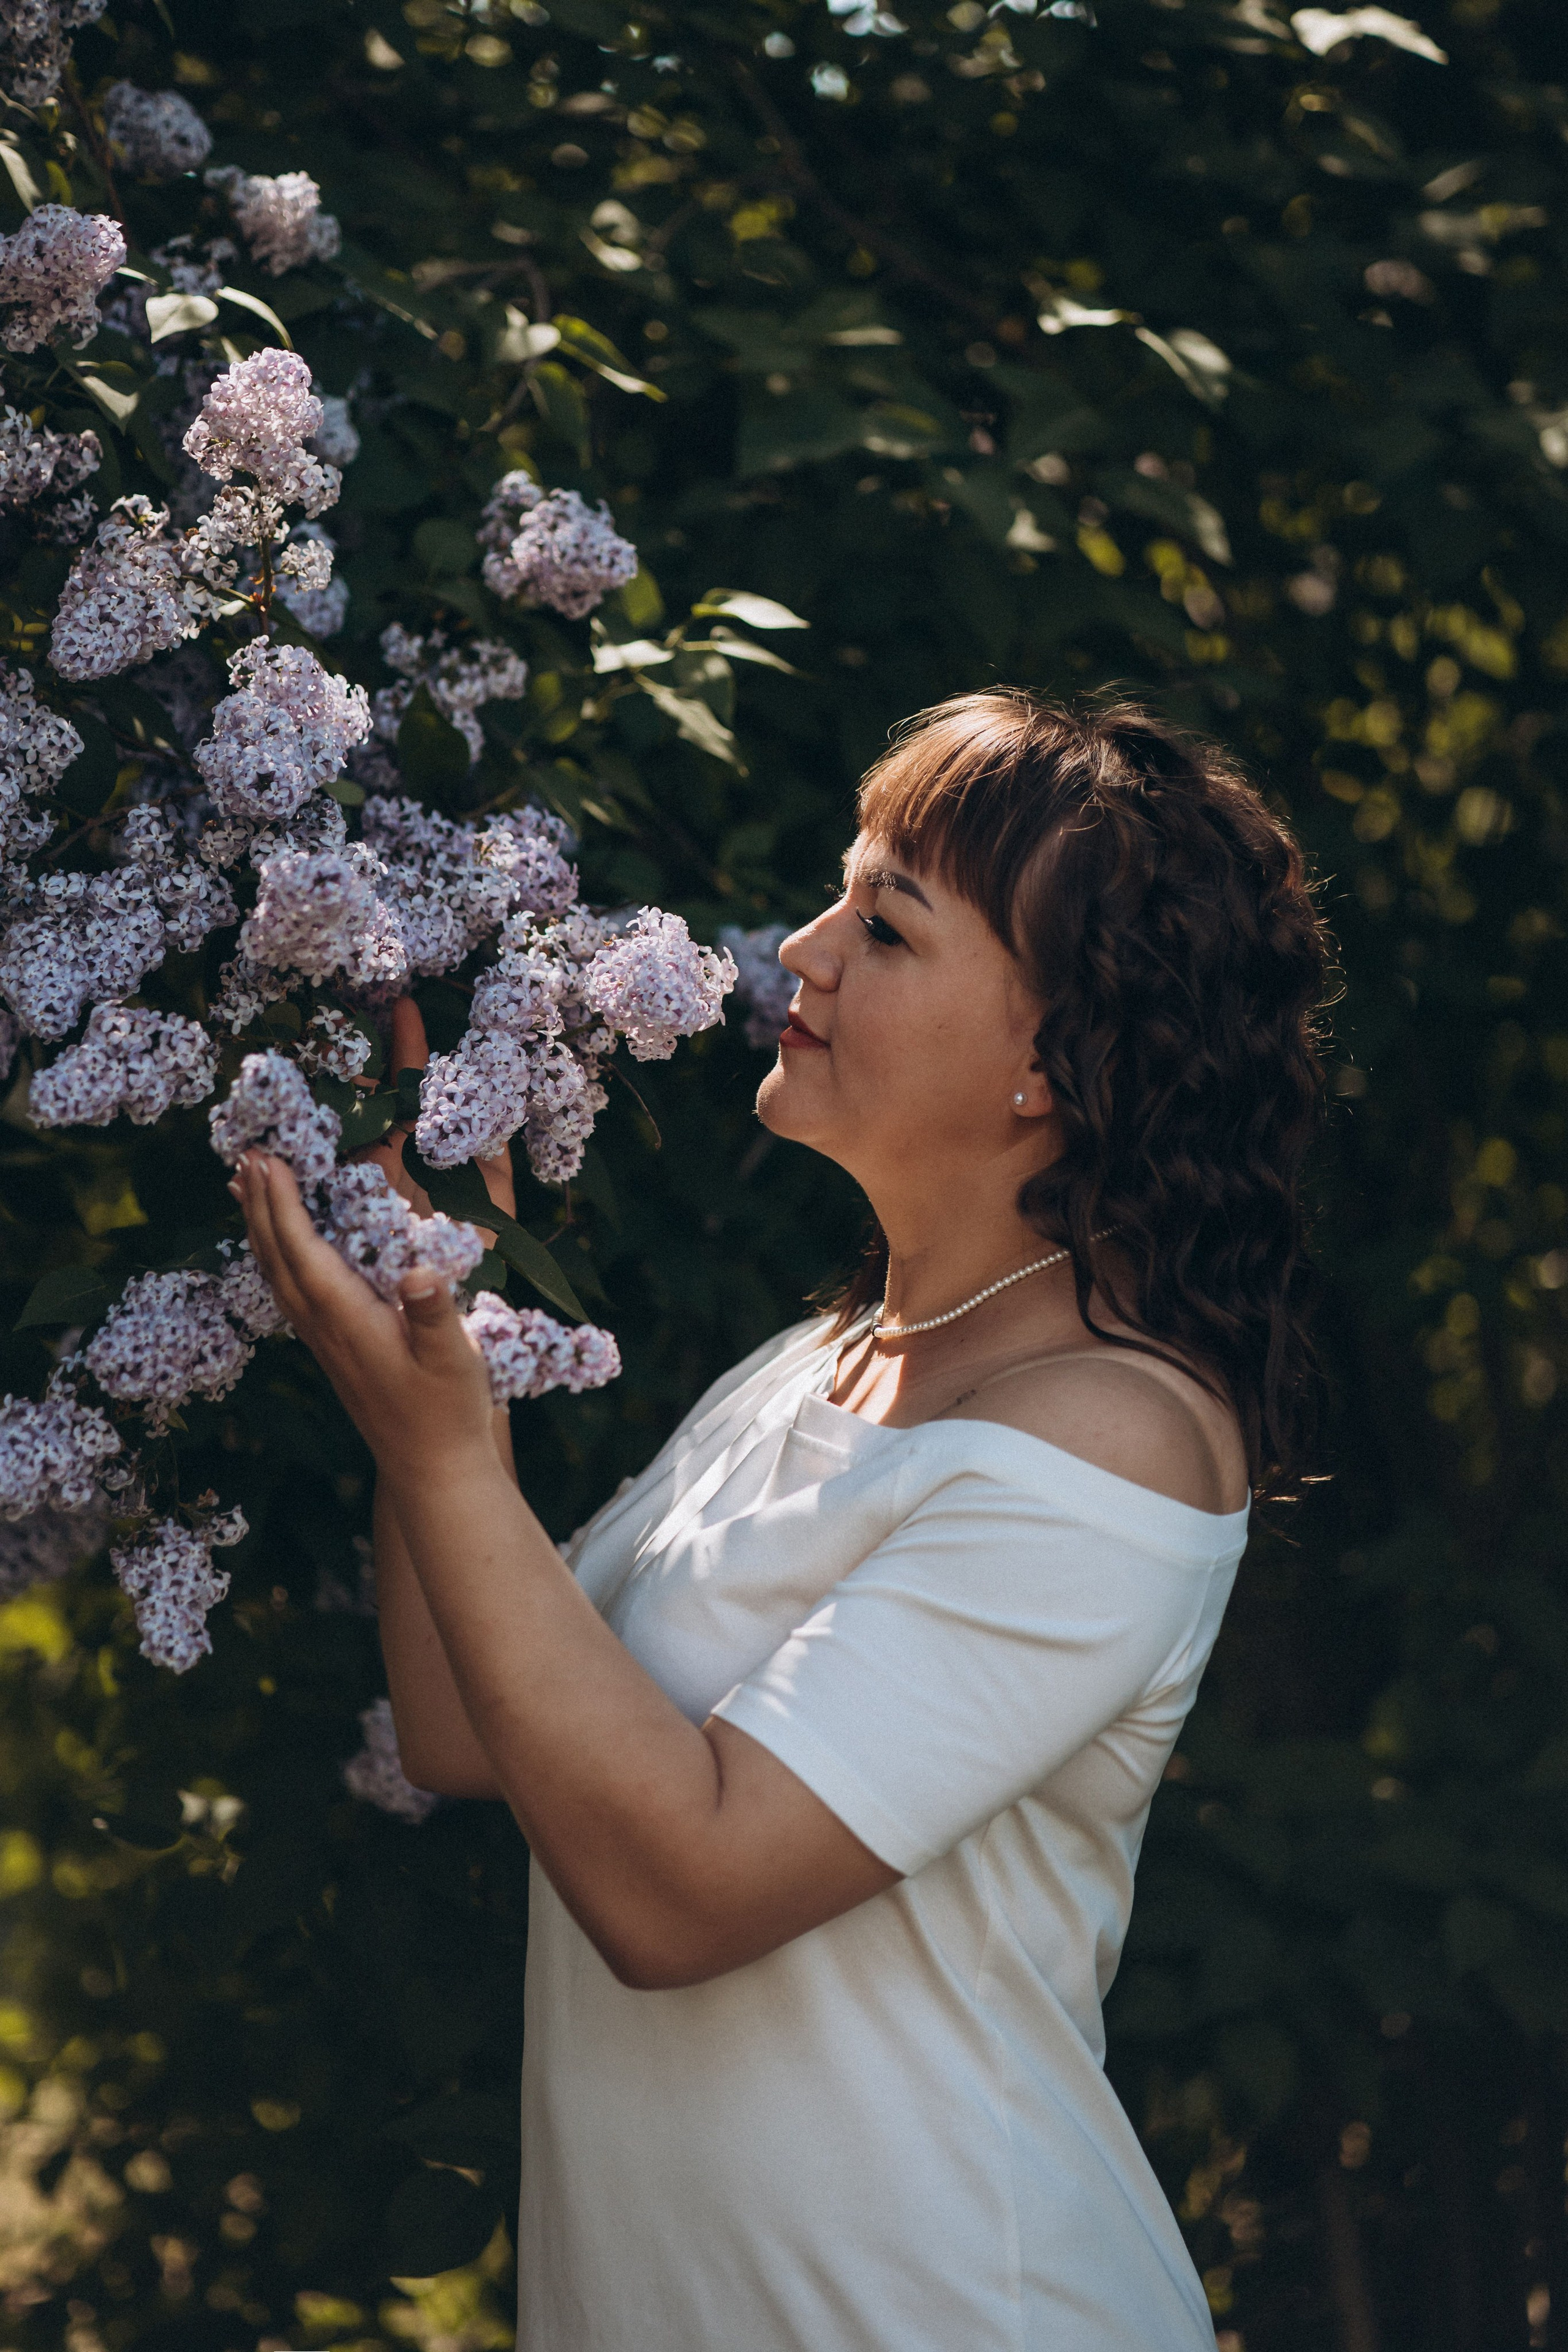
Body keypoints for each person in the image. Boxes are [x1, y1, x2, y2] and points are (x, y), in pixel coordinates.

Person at [233, 691, 1331, 2352]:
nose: (801, 953)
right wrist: (430, 1350)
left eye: (884, 926)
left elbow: (681, 1892)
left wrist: (454, 1462)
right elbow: (468, 1726)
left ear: (1053, 1057)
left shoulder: (1110, 1446)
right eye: (839, 892)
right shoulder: (820, 1364)